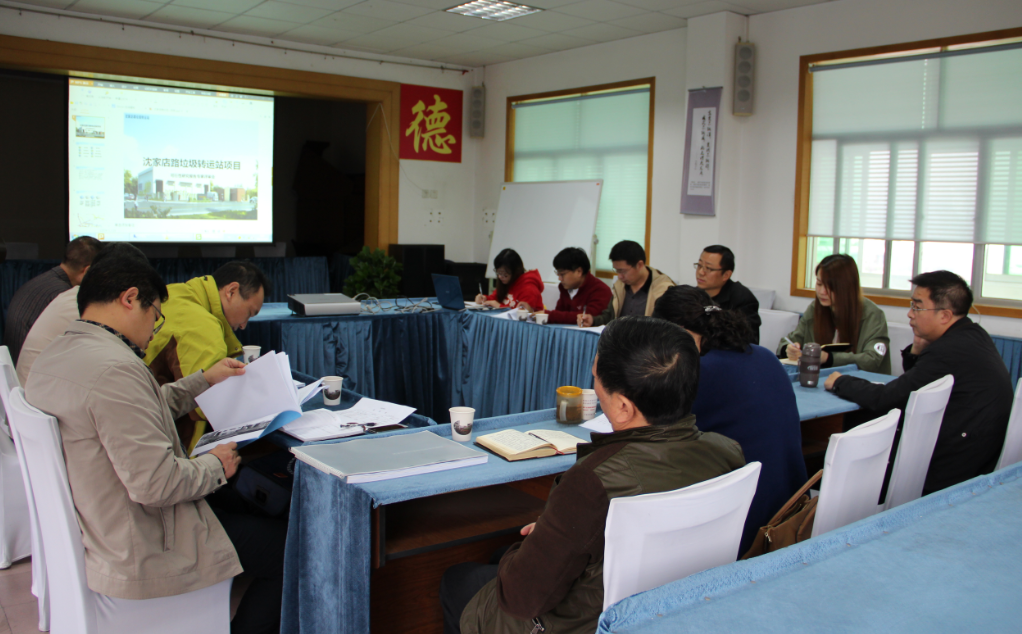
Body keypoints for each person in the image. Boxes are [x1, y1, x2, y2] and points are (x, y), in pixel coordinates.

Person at [25, 246, 286, 634]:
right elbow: (156, 484)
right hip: (144, 538)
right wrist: (216, 464)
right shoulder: (115, 369)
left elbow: (138, 408)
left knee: (243, 505)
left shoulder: (61, 353)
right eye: (155, 316)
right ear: (130, 299)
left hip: (105, 520)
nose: (155, 329)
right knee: (288, 549)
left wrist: (202, 380)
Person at [441, 316, 745, 634]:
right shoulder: (728, 452)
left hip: (581, 623)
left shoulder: (593, 481)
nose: (595, 387)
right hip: (671, 610)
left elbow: (519, 598)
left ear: (624, 406)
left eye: (597, 378)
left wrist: (546, 532)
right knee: (501, 556)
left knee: (457, 579)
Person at [825, 271, 1013, 496]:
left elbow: (886, 398)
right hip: (979, 453)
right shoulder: (973, 335)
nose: (910, 314)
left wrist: (840, 381)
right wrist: (916, 350)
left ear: (944, 316)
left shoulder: (948, 351)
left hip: (955, 467)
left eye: (917, 307)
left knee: (863, 425)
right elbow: (918, 383)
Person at [653, 285, 806, 555]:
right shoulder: (765, 356)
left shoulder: (699, 373)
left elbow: (654, 435)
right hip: (790, 511)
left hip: (745, 526)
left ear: (679, 332)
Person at [144, 260, 270, 452]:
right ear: (231, 291)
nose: (244, 325)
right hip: (168, 443)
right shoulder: (203, 325)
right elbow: (213, 408)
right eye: (249, 313)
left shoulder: (175, 292)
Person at [777, 254, 891, 373]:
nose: (822, 292)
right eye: (819, 284)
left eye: (830, 287)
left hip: (861, 381)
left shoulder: (872, 315)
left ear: (847, 288)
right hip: (820, 379)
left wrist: (829, 358)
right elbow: (789, 340)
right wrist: (788, 349)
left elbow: (872, 360)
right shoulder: (815, 308)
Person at [4, 235, 101, 364]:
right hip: (33, 368)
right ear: (88, 271)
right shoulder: (64, 295)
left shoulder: (40, 281)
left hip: (16, 365)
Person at [579, 240, 674, 327]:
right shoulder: (620, 286)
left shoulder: (664, 289)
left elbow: (668, 327)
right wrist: (593, 321)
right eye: (617, 271)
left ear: (640, 265)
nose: (619, 276)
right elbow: (610, 317)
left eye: (623, 271)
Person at [694, 245, 762, 343]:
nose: (700, 272)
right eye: (699, 265)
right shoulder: (693, 295)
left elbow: (748, 341)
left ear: (726, 275)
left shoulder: (743, 299)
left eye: (708, 268)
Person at [543, 247, 612, 325]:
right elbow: (559, 314)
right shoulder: (565, 287)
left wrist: (549, 315)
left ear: (579, 272)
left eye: (562, 274)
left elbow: (586, 317)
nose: (559, 278)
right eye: (558, 274)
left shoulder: (601, 290)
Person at [474, 248, 544, 311]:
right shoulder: (507, 281)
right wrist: (484, 299)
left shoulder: (528, 288)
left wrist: (499, 306)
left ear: (516, 271)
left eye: (504, 274)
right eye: (498, 272)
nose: (500, 277)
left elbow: (523, 314)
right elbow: (495, 297)